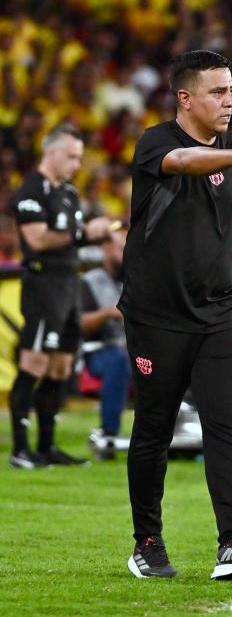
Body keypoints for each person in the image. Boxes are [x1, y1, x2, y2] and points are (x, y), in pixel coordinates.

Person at [118, 50, 232, 581]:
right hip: (158, 315)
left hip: (221, 311)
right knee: (154, 429)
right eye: (218, 92)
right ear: (185, 99)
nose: (230, 101)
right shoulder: (156, 142)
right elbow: (185, 163)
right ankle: (147, 543)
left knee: (224, 421)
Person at [9, 123, 113, 469]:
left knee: (60, 366)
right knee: (34, 362)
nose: (76, 163)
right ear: (50, 153)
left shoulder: (68, 192)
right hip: (43, 286)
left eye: (79, 157)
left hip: (69, 285)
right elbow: (38, 239)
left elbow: (72, 237)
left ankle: (47, 447)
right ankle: (20, 450)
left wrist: (89, 236)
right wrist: (85, 233)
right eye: (70, 156)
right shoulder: (30, 190)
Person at [80, 225, 131, 459]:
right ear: (106, 249)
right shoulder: (89, 282)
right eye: (121, 248)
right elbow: (79, 323)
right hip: (97, 352)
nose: (126, 253)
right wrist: (108, 313)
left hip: (133, 350)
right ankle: (109, 433)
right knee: (118, 360)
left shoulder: (136, 279)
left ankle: (174, 434)